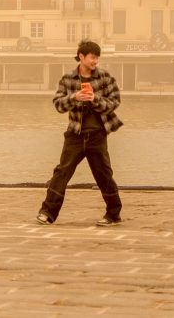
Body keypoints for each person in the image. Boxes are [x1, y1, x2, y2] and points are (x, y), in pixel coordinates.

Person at [36, 40, 123, 227]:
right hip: (75, 134)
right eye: (92, 57)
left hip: (98, 134)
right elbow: (58, 104)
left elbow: (115, 101)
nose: (95, 61)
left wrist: (95, 99)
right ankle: (47, 213)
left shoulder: (105, 77)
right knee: (62, 172)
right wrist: (74, 97)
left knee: (103, 174)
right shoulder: (68, 79)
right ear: (81, 56)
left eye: (97, 57)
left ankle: (113, 214)